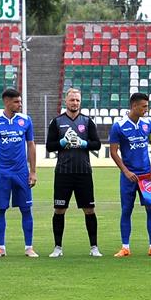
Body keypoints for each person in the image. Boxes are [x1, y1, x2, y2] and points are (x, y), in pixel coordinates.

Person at [45, 87, 102, 257]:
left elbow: (97, 144)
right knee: (59, 210)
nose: (75, 103)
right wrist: (62, 142)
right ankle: (57, 247)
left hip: (83, 172)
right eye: (72, 100)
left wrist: (84, 144)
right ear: (66, 101)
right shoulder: (57, 122)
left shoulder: (87, 121)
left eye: (77, 100)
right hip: (63, 173)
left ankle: (94, 247)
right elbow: (49, 146)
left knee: (89, 210)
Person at [0, 88, 38, 258]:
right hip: (1, 172)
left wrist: (33, 172)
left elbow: (31, 145)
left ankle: (29, 247)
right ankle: (1, 248)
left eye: (20, 101)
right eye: (16, 102)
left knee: (26, 209)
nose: (20, 104)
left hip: (21, 172)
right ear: (6, 102)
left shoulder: (25, 120)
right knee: (0, 209)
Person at [109, 91, 151, 257]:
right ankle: (125, 247)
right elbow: (113, 152)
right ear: (134, 106)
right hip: (129, 176)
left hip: (147, 175)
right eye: (144, 106)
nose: (146, 109)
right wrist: (125, 171)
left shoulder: (148, 124)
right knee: (126, 209)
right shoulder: (118, 126)